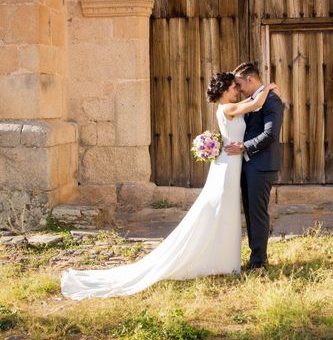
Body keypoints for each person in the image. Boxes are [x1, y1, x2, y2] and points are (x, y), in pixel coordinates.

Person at [60, 72, 279, 300]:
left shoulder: (228, 106)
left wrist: (261, 92)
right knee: (218, 211)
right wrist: (269, 87)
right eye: (234, 87)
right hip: (227, 167)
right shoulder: (227, 109)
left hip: (231, 165)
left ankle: (222, 258)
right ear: (224, 91)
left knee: (226, 213)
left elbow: (249, 102)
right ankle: (214, 258)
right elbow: (255, 103)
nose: (237, 91)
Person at [224, 62, 285, 270]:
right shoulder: (253, 100)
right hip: (248, 165)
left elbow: (270, 135)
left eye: (239, 84)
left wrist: (244, 147)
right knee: (250, 212)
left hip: (261, 165)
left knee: (257, 213)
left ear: (250, 80)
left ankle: (259, 261)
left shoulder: (272, 100)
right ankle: (255, 256)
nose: (238, 89)